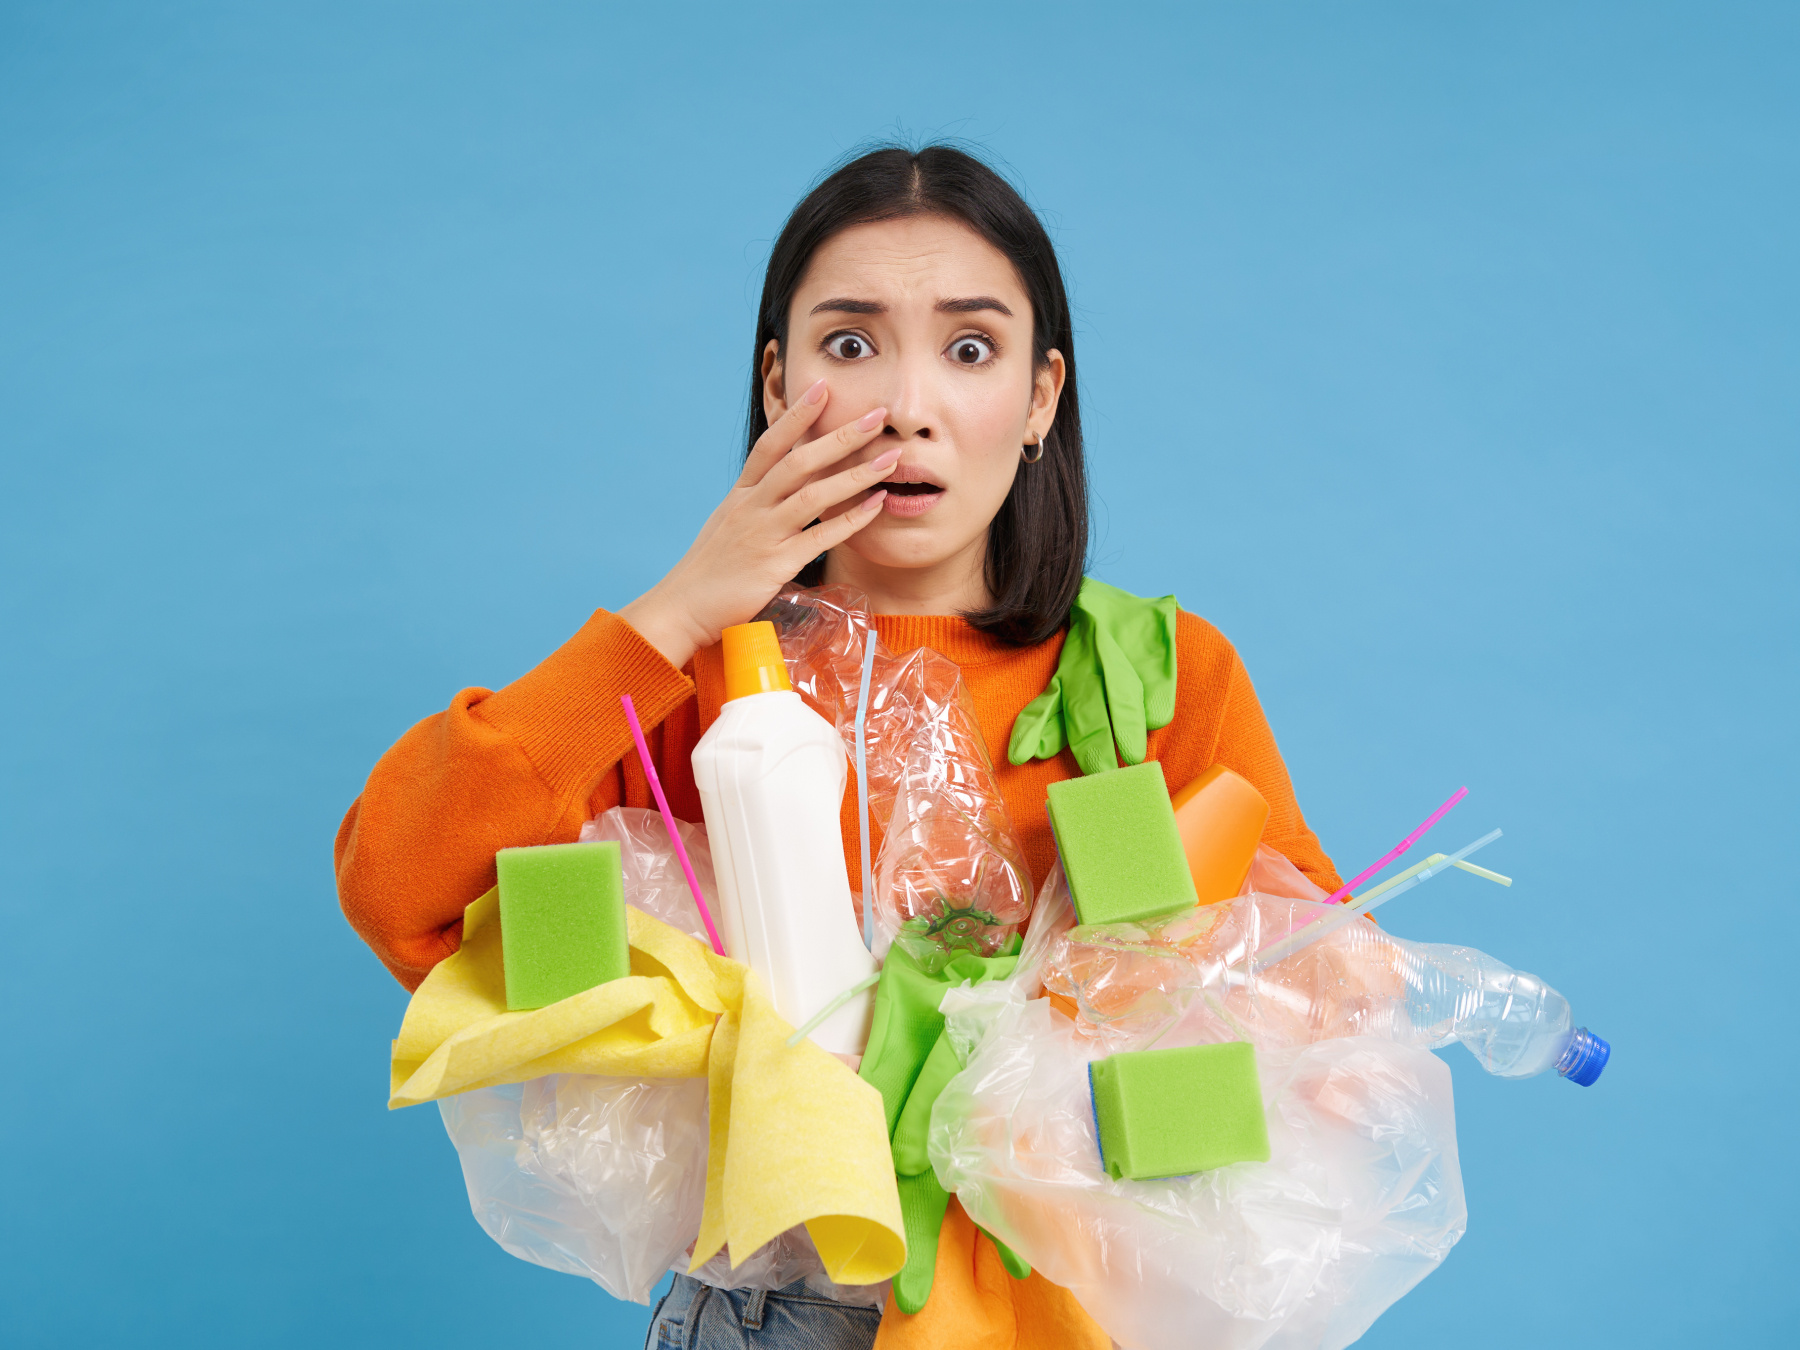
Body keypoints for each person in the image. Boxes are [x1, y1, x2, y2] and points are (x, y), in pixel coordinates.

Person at [336, 143, 1343, 1350]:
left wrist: (1075, 1059)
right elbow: (399, 889)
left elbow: (1319, 989)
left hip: (1065, 1317)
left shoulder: (1159, 679)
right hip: (774, 1311)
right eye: (852, 344)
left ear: (1039, 397)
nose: (907, 404)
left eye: (969, 349)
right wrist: (673, 615)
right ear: (777, 385)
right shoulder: (694, 681)